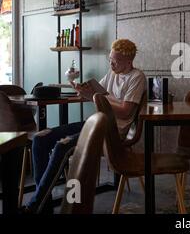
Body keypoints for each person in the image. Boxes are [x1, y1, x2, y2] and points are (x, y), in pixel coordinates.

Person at [23, 39, 146, 213]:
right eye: (110, 59)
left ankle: (35, 206)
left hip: (112, 131)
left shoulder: (137, 77)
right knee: (40, 138)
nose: (111, 63)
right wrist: (83, 90)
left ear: (129, 61)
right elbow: (98, 94)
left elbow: (126, 111)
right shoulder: (112, 74)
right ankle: (45, 204)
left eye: (115, 61)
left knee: (61, 146)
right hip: (94, 123)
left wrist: (95, 96)